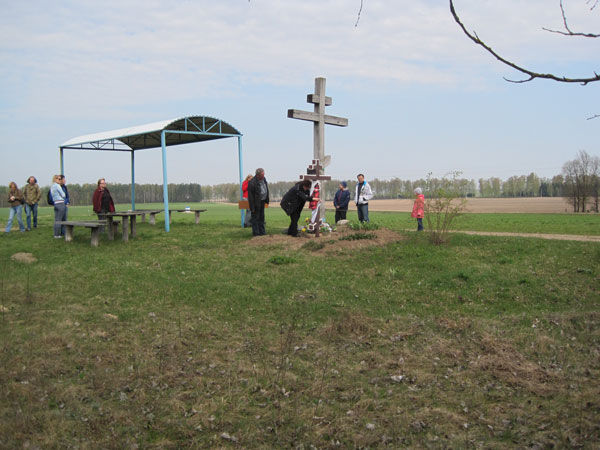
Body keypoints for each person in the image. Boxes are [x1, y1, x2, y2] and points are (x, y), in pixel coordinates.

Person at [247, 168, 269, 236]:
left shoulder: (264, 179)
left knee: (262, 217)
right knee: (255, 219)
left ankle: (262, 232)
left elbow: (266, 188)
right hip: (256, 203)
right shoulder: (252, 183)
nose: (264, 175)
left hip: (262, 201)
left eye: (264, 174)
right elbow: (250, 197)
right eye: (262, 174)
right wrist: (252, 207)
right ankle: (256, 234)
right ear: (258, 175)